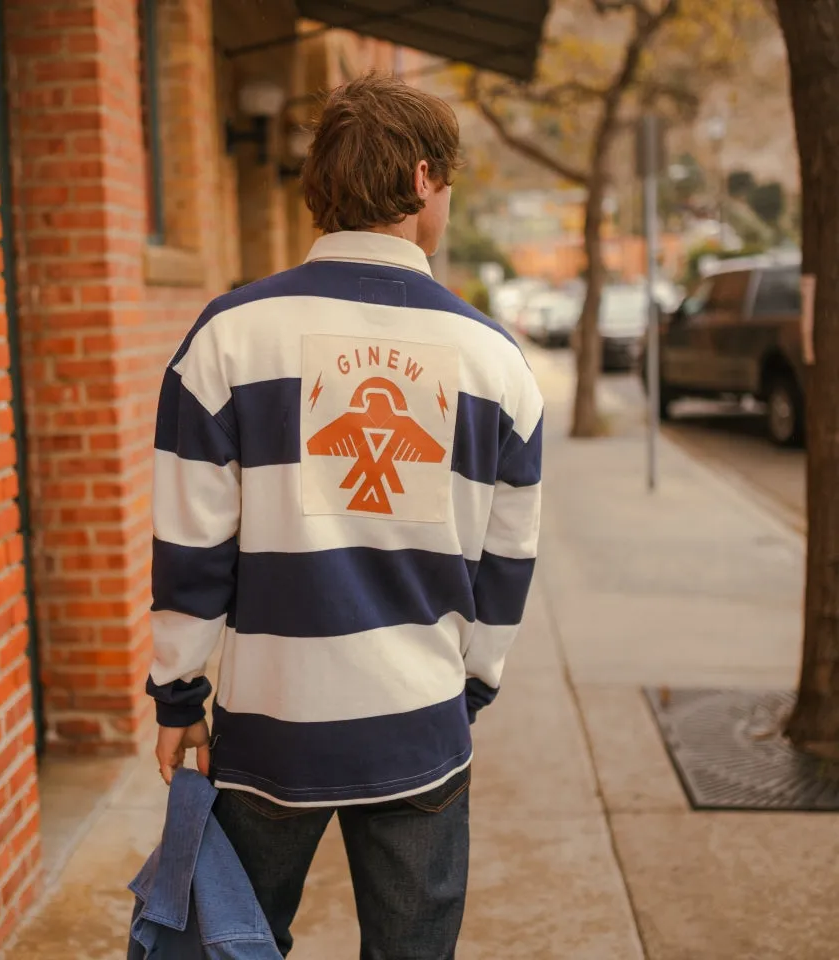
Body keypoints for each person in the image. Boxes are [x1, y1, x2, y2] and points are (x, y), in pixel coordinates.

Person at [147, 73, 543, 960]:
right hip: (421, 722)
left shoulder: (228, 338)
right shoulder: (496, 362)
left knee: (234, 944)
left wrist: (180, 694)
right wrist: (471, 682)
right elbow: (507, 558)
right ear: (418, 178)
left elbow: (190, 539)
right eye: (447, 186)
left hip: (269, 724)